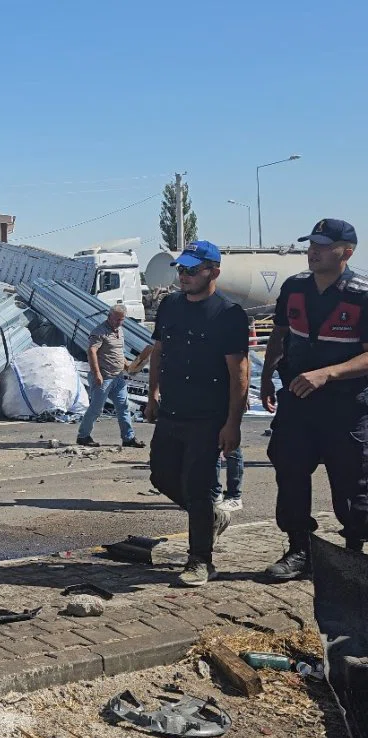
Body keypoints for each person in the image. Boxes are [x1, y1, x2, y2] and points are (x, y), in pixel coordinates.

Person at [260, 219, 368, 580]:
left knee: (352, 485)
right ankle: (299, 550)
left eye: (323, 245)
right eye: (311, 244)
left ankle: (354, 551)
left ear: (346, 252)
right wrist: (265, 378)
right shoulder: (295, 288)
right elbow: (279, 335)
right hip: (297, 403)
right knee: (288, 471)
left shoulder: (362, 293)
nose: (313, 251)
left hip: (346, 406)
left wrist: (329, 373)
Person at [146, 240, 251, 587]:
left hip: (208, 417)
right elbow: (158, 352)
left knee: (199, 486)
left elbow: (239, 372)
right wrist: (152, 395)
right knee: (161, 476)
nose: (184, 276)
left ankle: (200, 560)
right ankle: (210, 517)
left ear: (213, 272)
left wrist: (232, 424)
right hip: (172, 411)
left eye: (192, 270)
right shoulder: (170, 306)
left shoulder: (228, 314)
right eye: (181, 269)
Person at [130, 345, 243, 510]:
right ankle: (214, 492)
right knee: (211, 451)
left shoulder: (224, 329)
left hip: (223, 399)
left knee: (231, 450)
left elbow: (240, 366)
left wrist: (239, 401)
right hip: (200, 403)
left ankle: (234, 494)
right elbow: (157, 351)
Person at [76, 303, 144, 448]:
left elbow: (119, 353)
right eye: (116, 319)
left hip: (118, 377)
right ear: (109, 316)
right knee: (96, 409)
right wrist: (97, 374)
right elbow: (92, 351)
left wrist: (128, 366)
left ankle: (128, 438)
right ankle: (83, 436)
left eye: (121, 320)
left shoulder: (120, 331)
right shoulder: (99, 331)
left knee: (123, 407)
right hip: (103, 377)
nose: (118, 322)